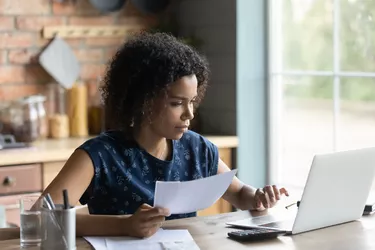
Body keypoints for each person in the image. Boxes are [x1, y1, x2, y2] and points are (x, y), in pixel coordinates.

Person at [42, 32, 289, 238]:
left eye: (192, 101)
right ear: (143, 101)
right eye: (176, 103)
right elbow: (44, 217)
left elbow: (238, 193)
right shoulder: (99, 155)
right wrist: (124, 225)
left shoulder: (197, 149)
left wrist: (258, 197)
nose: (189, 114)